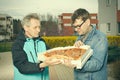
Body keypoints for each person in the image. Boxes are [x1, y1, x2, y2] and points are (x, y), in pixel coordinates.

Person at [12, 13, 61, 80]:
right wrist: (43, 64)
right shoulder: (18, 44)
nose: (39, 30)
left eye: (39, 27)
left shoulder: (42, 42)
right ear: (26, 28)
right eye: (35, 27)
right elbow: (22, 66)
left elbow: (53, 54)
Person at [63, 8, 108, 80]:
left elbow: (97, 64)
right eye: (74, 26)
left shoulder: (100, 38)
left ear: (87, 22)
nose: (76, 29)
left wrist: (76, 64)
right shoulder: (79, 38)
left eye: (79, 26)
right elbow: (77, 58)